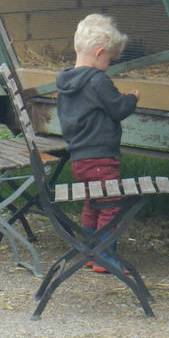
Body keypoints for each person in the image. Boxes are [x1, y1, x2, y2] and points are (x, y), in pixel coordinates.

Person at [55, 14, 140, 273]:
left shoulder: (66, 82)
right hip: (101, 157)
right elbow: (116, 109)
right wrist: (131, 99)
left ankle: (89, 251)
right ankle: (106, 257)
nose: (109, 64)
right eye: (109, 59)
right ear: (100, 52)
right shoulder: (98, 80)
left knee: (92, 202)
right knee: (111, 203)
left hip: (80, 157)